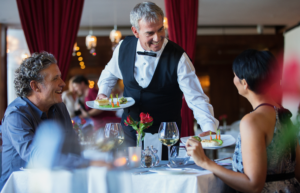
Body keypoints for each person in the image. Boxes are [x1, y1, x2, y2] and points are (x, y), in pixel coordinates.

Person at [96, 1, 218, 159]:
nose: (158, 37)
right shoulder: (123, 47)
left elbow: (196, 97)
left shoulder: (178, 57)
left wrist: (209, 128)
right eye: (150, 33)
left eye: (161, 29)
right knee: (131, 176)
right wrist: (103, 94)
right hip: (130, 132)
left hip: (166, 135)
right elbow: (109, 73)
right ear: (135, 31)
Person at [186, 49, 300, 193]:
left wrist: (204, 161)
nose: (234, 79)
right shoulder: (283, 114)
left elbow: (253, 185)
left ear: (244, 83)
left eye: (235, 75)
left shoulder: (252, 121)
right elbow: (297, 172)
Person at [0, 52, 110, 190]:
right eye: (55, 79)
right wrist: (90, 163)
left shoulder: (59, 107)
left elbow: (73, 148)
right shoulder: (16, 115)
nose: (63, 83)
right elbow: (39, 158)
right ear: (35, 86)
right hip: (21, 187)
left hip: (54, 182)